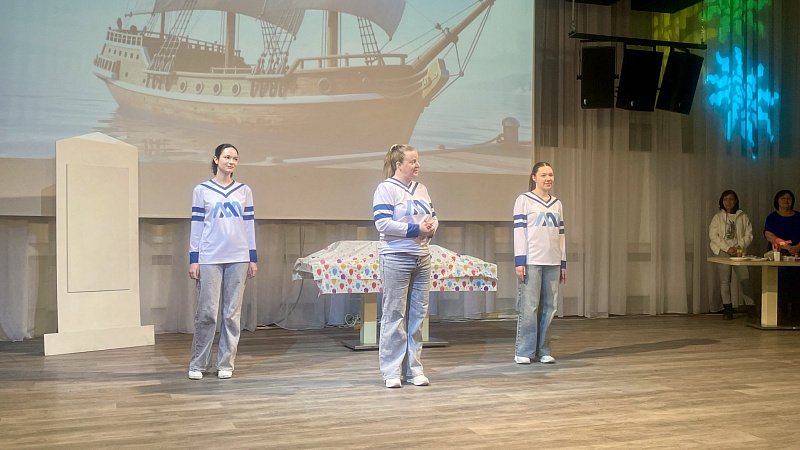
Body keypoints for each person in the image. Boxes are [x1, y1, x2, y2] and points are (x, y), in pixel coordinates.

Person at [187, 143, 258, 380]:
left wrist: (252, 257)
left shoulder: (244, 191)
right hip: (210, 257)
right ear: (216, 159)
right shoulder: (202, 190)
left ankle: (226, 363)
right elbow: (197, 225)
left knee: (231, 314)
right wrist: (194, 258)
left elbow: (248, 225)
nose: (231, 161)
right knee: (207, 313)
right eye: (227, 157)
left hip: (238, 257)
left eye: (235, 158)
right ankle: (198, 363)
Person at [372, 144, 438, 388]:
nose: (417, 165)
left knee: (418, 316)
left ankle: (414, 369)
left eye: (417, 160)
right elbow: (382, 223)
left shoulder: (422, 189)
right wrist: (415, 229)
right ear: (398, 164)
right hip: (396, 257)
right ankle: (391, 371)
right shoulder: (386, 188)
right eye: (412, 161)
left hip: (422, 256)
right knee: (394, 314)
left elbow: (433, 216)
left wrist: (431, 227)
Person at [513, 162, 566, 365]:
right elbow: (519, 232)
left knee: (550, 307)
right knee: (529, 307)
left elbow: (561, 236)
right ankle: (524, 351)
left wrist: (563, 262)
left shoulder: (557, 204)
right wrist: (520, 260)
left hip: (552, 261)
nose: (548, 178)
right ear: (534, 177)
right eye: (543, 175)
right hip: (532, 261)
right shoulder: (524, 200)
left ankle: (543, 349)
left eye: (550, 174)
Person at [708, 190, 755, 320]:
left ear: (735, 201)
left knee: (745, 279)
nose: (728, 202)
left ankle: (751, 308)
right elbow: (713, 235)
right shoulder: (718, 217)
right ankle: (727, 309)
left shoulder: (743, 216)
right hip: (723, 251)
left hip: (739, 251)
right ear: (722, 201)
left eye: (731, 199)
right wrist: (727, 248)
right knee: (725, 281)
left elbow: (749, 235)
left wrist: (738, 246)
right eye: (725, 199)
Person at [764, 190, 800, 323]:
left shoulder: (798, 216)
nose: (786, 201)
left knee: (797, 282)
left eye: (789, 198)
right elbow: (769, 235)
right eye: (783, 198)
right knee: (781, 281)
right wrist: (788, 247)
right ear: (777, 201)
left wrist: (797, 247)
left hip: (797, 254)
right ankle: (782, 313)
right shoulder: (772, 217)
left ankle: (796, 314)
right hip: (779, 254)